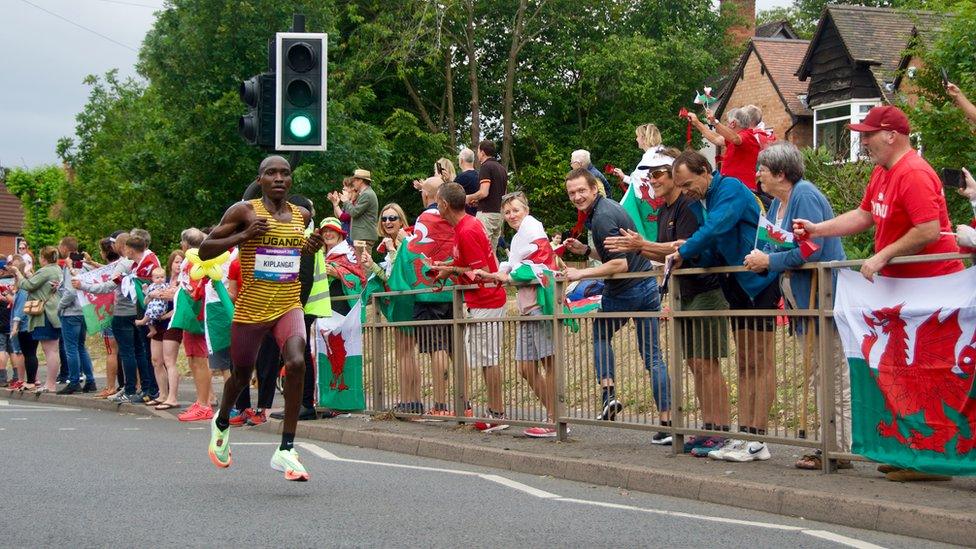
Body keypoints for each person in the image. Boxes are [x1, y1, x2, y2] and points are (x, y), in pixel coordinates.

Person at [794, 106, 964, 481]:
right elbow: (864, 214)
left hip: (931, 290)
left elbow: (929, 230)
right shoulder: (883, 172)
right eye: (863, 134)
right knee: (902, 375)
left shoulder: (915, 173)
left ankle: (932, 461)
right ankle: (912, 455)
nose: (863, 141)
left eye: (869, 134)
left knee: (926, 377)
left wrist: (883, 254)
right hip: (906, 292)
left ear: (892, 135)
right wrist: (818, 229)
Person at [200, 155, 323, 481]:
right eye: (272, 173)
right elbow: (205, 250)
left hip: (288, 304)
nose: (279, 178)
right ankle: (222, 420)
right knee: (241, 377)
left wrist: (309, 247)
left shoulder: (303, 214)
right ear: (261, 179)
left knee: (296, 362)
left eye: (285, 173)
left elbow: (294, 251)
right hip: (252, 309)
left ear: (291, 180)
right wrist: (243, 236)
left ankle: (286, 449)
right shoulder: (244, 211)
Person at [605, 149, 730, 451]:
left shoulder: (688, 205)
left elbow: (683, 247)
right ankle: (710, 426)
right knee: (694, 362)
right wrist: (635, 247)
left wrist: (642, 244)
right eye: (649, 175)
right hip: (684, 292)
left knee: (706, 362)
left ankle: (722, 429)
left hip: (705, 289)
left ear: (675, 174)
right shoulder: (663, 210)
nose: (653, 180)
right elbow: (663, 251)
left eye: (658, 173)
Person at [667, 150, 780, 462]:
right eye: (681, 187)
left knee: (759, 358)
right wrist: (694, 256)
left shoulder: (728, 188)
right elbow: (715, 246)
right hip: (737, 283)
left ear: (706, 171)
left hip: (759, 281)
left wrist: (684, 249)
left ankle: (757, 438)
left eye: (688, 184)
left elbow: (718, 226)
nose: (685, 192)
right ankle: (743, 434)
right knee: (745, 361)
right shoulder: (700, 200)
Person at [742, 142, 850, 470]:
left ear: (781, 173)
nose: (757, 173)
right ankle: (827, 444)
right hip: (802, 302)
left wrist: (769, 260)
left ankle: (839, 447)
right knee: (819, 373)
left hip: (823, 297)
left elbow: (812, 248)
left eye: (763, 168)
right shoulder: (777, 203)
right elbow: (775, 243)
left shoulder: (804, 195)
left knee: (832, 373)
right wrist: (763, 257)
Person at [563, 168, 671, 428]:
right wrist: (587, 250)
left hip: (626, 289)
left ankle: (608, 394)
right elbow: (616, 256)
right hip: (646, 285)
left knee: (601, 333)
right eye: (572, 193)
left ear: (594, 189)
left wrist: (581, 272)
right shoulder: (608, 208)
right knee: (653, 356)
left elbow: (620, 265)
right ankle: (668, 423)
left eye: (581, 191)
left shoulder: (601, 217)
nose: (577, 197)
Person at [473, 192, 559, 437]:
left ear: (526, 210)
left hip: (540, 306)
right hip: (526, 309)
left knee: (548, 363)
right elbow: (512, 267)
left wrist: (506, 276)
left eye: (515, 210)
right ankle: (553, 413)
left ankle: (555, 419)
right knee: (525, 367)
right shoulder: (520, 238)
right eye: (507, 211)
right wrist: (493, 275)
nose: (511, 215)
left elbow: (539, 268)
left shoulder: (534, 232)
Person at [435, 182, 509, 432]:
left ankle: (497, 414)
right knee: (485, 358)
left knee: (489, 359)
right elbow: (467, 265)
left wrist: (450, 269)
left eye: (437, 202)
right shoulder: (465, 226)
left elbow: (482, 272)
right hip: (480, 300)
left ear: (445, 204)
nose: (437, 207)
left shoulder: (466, 229)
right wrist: (446, 270)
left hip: (486, 300)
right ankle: (494, 411)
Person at [360, 202, 430, 414]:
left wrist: (391, 251)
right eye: (384, 218)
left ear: (402, 221)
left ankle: (412, 401)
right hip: (398, 302)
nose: (388, 222)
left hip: (406, 302)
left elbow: (401, 273)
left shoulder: (406, 242)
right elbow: (387, 276)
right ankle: (410, 400)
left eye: (393, 218)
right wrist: (371, 264)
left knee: (406, 352)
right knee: (403, 353)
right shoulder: (391, 243)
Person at [74, 236, 159, 404]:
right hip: (137, 311)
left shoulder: (126, 263)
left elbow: (109, 285)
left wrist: (83, 285)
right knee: (140, 351)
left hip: (122, 312)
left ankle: (129, 389)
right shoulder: (143, 261)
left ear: (124, 247)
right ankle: (146, 387)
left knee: (127, 352)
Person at [175, 228, 218, 421]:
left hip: (196, 310)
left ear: (185, 244)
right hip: (188, 310)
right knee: (192, 357)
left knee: (200, 358)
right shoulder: (187, 261)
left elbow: (198, 286)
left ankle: (204, 403)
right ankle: (200, 400)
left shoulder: (197, 260)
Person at [12, 246, 63, 394]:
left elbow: (28, 285)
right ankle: (50, 382)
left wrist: (18, 273)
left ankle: (50, 384)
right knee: (53, 349)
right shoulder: (57, 270)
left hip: (45, 314)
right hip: (55, 312)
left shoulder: (46, 270)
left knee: (50, 350)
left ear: (43, 258)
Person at [687, 106, 769, 195]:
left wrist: (715, 122)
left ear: (733, 123)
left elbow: (735, 138)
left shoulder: (747, 136)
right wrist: (697, 123)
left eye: (727, 122)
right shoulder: (734, 138)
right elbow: (716, 138)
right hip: (733, 188)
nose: (726, 125)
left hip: (742, 190)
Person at [55, 236, 97, 395]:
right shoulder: (85, 263)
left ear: (65, 248)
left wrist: (60, 307)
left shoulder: (69, 265)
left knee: (70, 348)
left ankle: (74, 381)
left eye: (60, 246)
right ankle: (90, 380)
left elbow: (71, 291)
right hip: (84, 309)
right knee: (81, 346)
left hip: (71, 311)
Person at [144, 251, 185, 410]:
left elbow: (179, 303)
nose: (178, 265)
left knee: (170, 361)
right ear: (170, 264)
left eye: (181, 262)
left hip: (172, 322)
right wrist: (151, 295)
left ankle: (172, 397)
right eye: (176, 262)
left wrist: (166, 311)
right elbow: (147, 298)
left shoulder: (183, 281)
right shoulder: (163, 280)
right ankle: (162, 394)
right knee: (156, 360)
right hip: (158, 322)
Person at [92, 237, 122, 399]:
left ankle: (111, 386)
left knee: (111, 351)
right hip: (124, 312)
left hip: (110, 310)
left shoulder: (110, 270)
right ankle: (134, 385)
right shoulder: (122, 265)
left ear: (104, 253)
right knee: (128, 350)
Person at [466, 140, 508, 251]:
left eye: (478, 151)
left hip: (486, 214)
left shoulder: (486, 167)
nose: (477, 154)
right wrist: (478, 201)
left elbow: (484, 192)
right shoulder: (502, 169)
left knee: (481, 249)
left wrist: (468, 198)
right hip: (499, 214)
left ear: (483, 152)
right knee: (491, 252)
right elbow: (501, 193)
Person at [610, 123, 664, 194]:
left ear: (643, 138)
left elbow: (639, 184)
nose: (636, 139)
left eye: (637, 136)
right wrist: (623, 177)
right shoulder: (659, 153)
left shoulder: (649, 158)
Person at [341, 169, 379, 248]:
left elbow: (354, 213)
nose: (353, 183)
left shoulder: (367, 194)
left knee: (363, 260)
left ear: (360, 181)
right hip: (362, 236)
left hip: (364, 236)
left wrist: (346, 201)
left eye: (354, 180)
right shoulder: (364, 194)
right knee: (361, 260)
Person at [135, 267, 169, 337]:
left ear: (165, 278)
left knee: (149, 313)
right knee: (149, 318)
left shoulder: (165, 285)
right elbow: (147, 293)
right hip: (152, 306)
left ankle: (142, 321)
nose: (160, 279)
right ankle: (152, 330)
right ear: (153, 279)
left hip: (160, 306)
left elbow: (167, 293)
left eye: (162, 277)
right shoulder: (151, 286)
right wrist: (145, 289)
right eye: (157, 277)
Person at [455, 147, 481, 216]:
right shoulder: (479, 176)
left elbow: (450, 194)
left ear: (461, 160)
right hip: (478, 214)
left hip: (466, 215)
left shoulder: (462, 177)